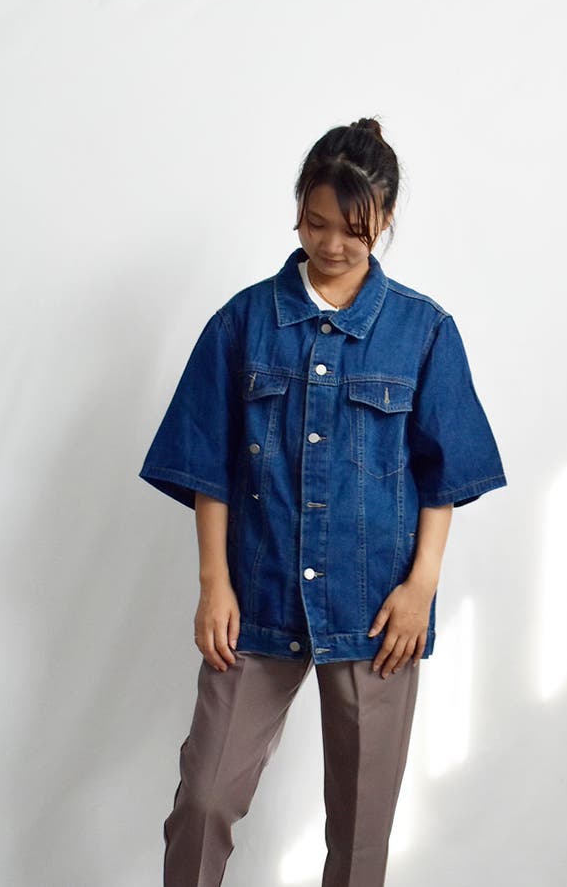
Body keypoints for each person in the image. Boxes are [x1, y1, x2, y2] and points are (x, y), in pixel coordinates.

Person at [138, 116, 508, 887]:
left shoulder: (423, 331)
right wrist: (214, 584)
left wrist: (421, 589)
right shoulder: (242, 323)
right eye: (315, 222)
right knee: (204, 799)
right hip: (258, 599)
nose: (332, 244)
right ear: (297, 210)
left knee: (360, 832)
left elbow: (442, 476)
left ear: (385, 220)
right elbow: (206, 465)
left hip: (377, 610)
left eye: (354, 230)